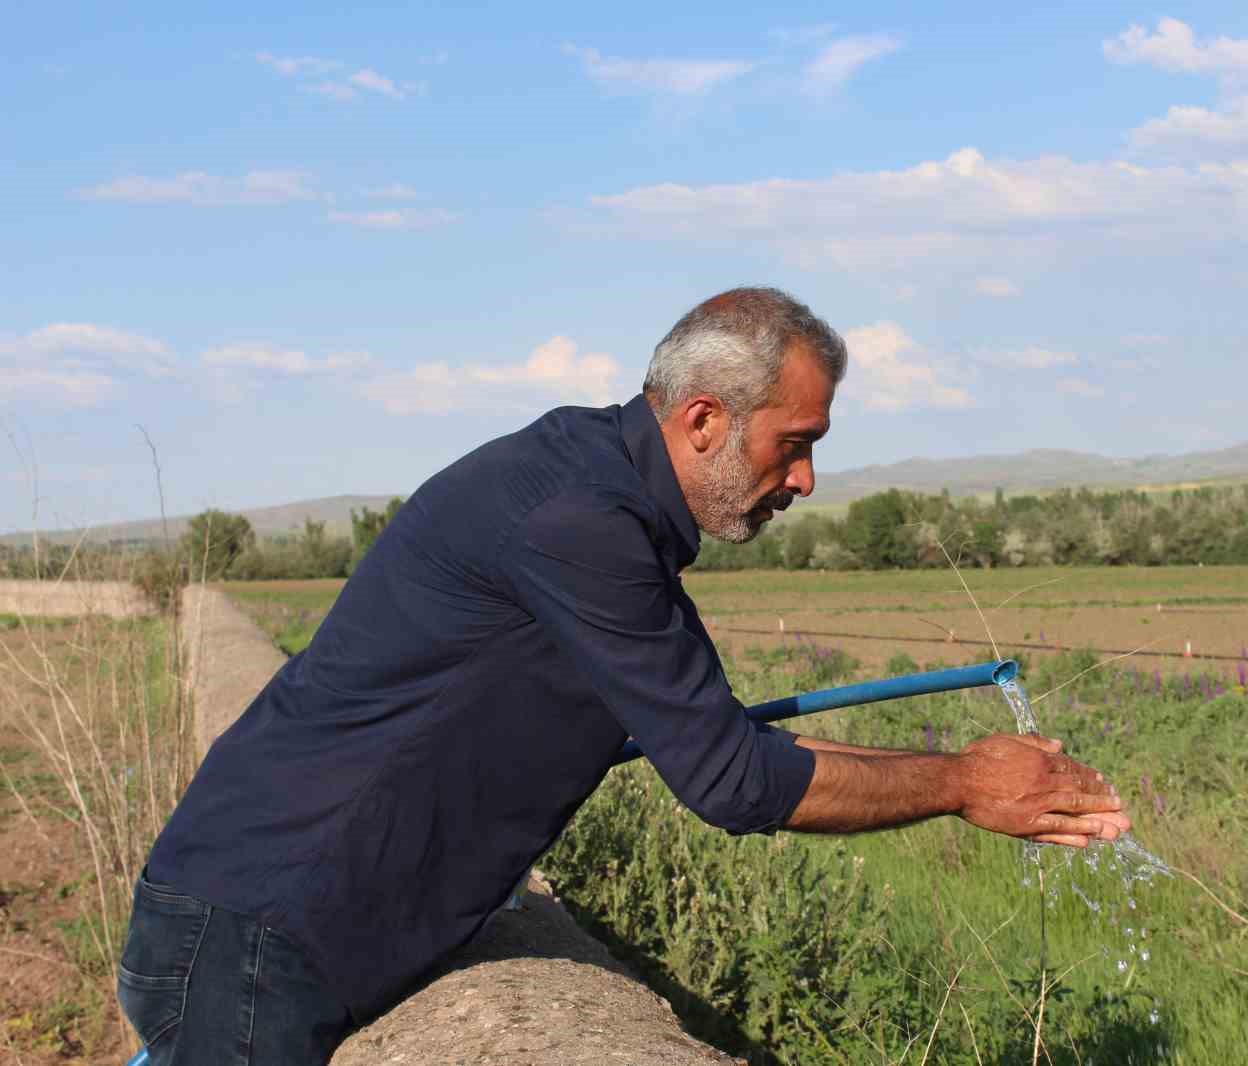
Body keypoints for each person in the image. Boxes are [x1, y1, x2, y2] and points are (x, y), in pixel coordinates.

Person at [119, 287, 1130, 1065]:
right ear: (701, 421)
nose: (806, 481)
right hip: (254, 941)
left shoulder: (593, 494)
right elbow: (735, 780)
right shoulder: (580, 526)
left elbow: (715, 743)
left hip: (261, 924)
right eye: (795, 447)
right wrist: (961, 782)